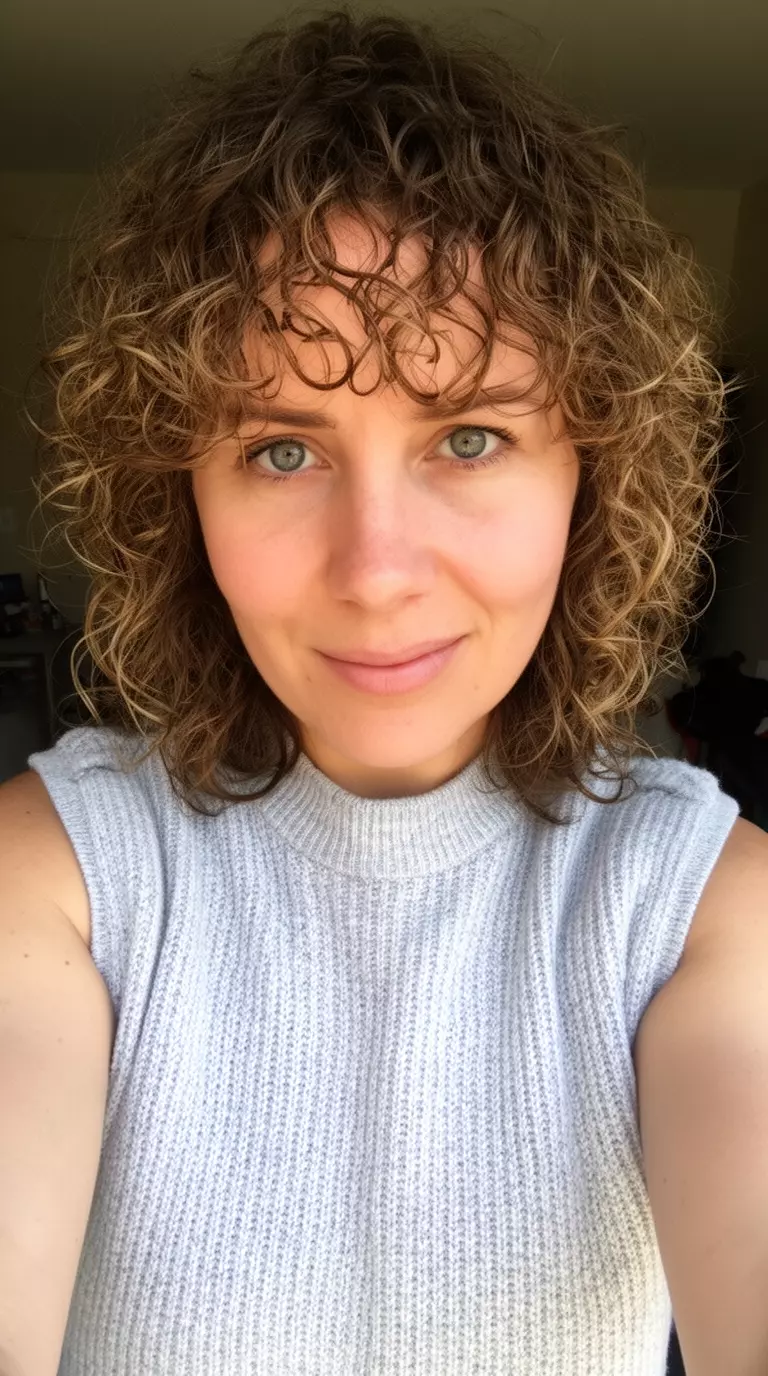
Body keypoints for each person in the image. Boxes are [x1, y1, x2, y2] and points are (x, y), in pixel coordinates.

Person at [2, 8, 767, 1375]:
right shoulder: (62, 877)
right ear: (183, 494)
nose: (376, 570)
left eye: (469, 435)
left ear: (591, 478)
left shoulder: (698, 904)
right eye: (284, 451)